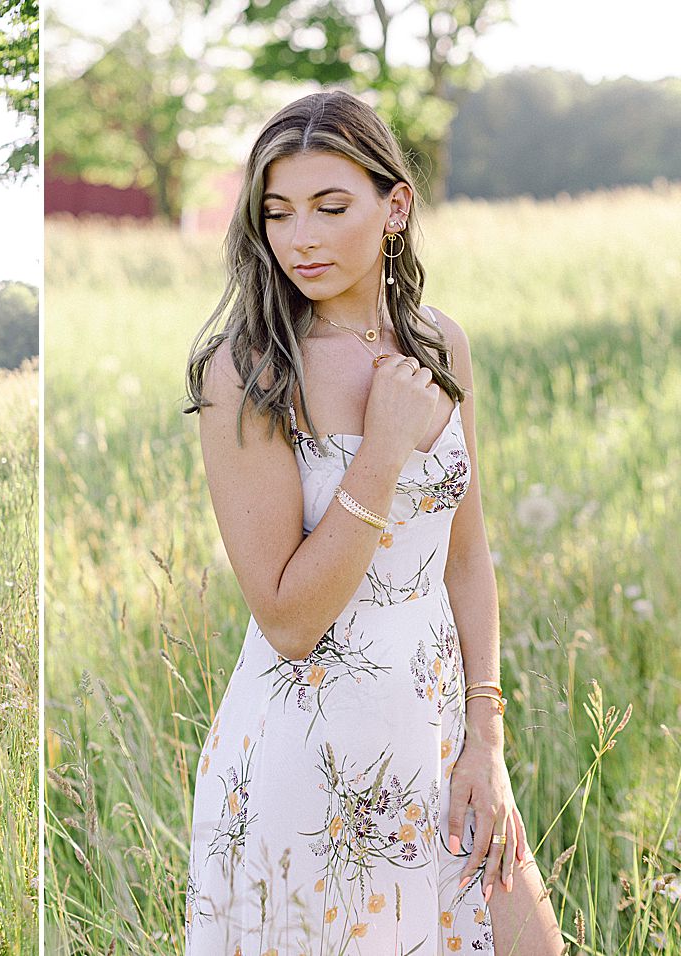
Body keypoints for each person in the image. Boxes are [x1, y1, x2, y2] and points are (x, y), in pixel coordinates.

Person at [181, 91, 564, 954]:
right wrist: (382, 449)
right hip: (309, 761)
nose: (300, 238)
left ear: (395, 208)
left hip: (438, 735)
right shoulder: (248, 371)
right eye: (277, 212)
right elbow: (288, 621)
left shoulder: (439, 344)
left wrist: (486, 739)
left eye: (330, 207)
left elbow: (465, 555)